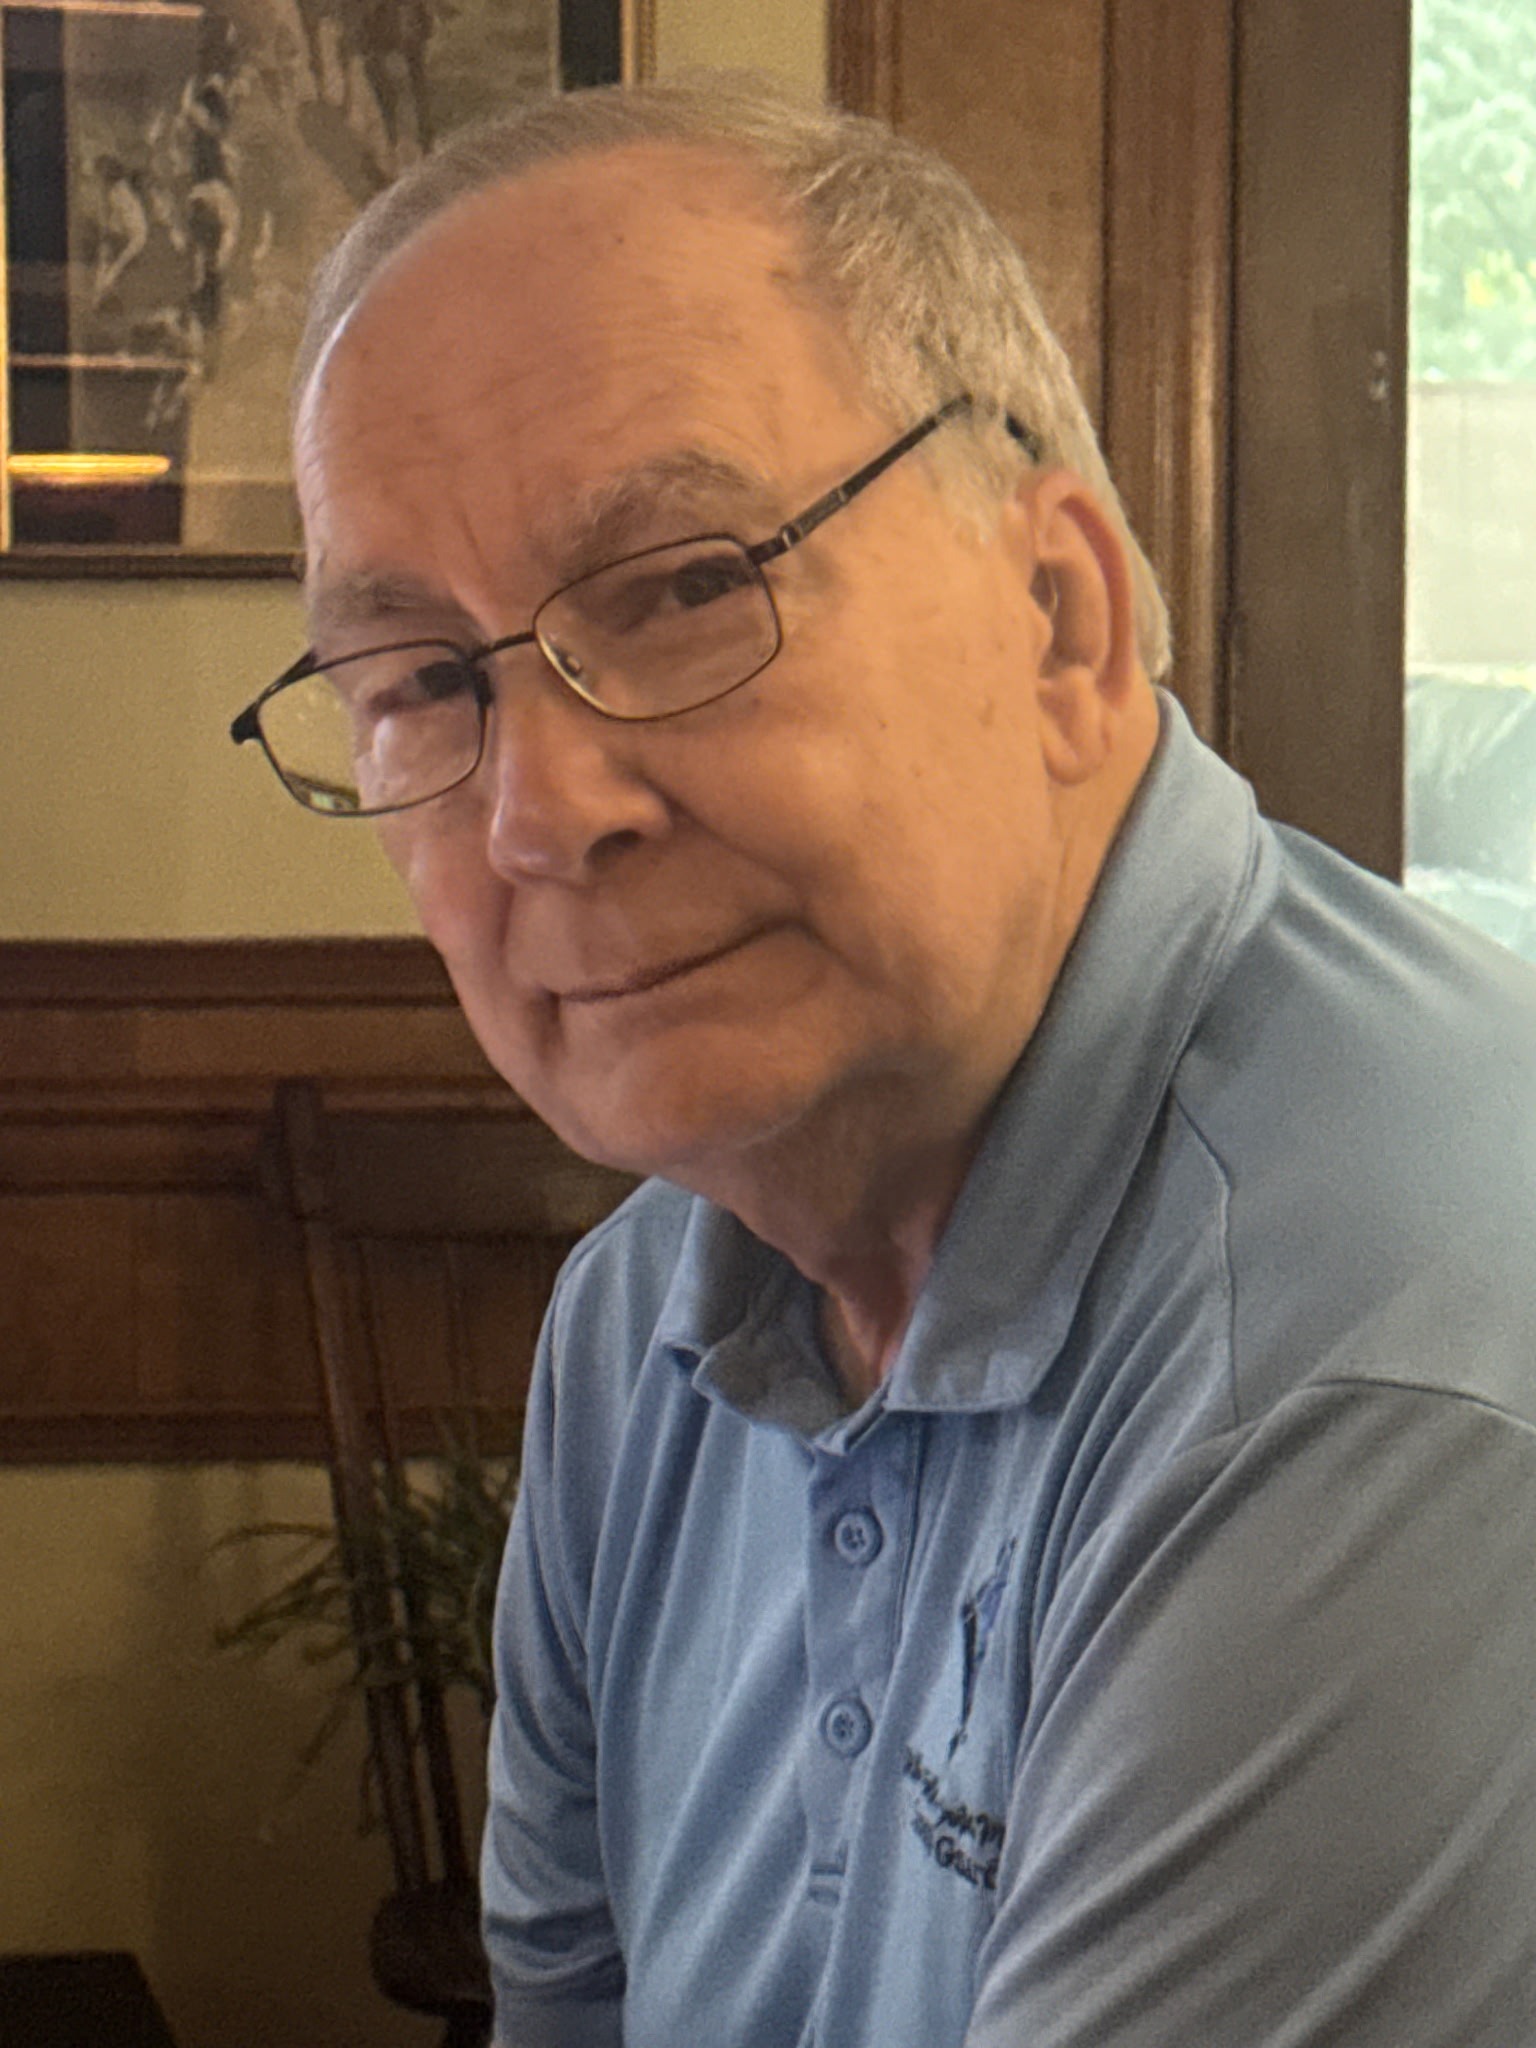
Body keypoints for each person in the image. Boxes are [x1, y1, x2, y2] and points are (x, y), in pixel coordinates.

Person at [231, 75, 1536, 2048]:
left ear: (1060, 617)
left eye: (686, 585)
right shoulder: (639, 1321)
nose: (538, 815)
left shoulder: (1370, 1370)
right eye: (421, 682)